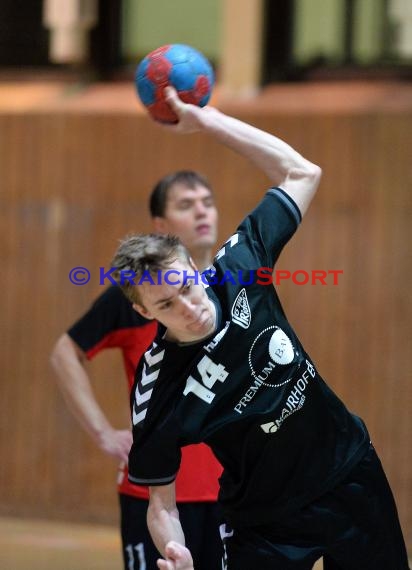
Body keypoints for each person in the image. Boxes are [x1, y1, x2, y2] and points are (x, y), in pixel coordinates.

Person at [111, 87, 410, 570]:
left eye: (187, 286)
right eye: (167, 303)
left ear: (192, 263)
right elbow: (161, 504)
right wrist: (176, 550)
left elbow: (302, 172)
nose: (190, 307)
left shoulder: (238, 265)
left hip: (349, 473)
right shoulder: (157, 389)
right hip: (264, 522)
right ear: (146, 313)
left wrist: (209, 123)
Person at [50, 170, 224, 570]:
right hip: (156, 497)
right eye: (186, 204)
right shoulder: (134, 298)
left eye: (207, 202)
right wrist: (102, 432)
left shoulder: (235, 287)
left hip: (231, 492)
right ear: (161, 227)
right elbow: (65, 352)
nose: (202, 211)